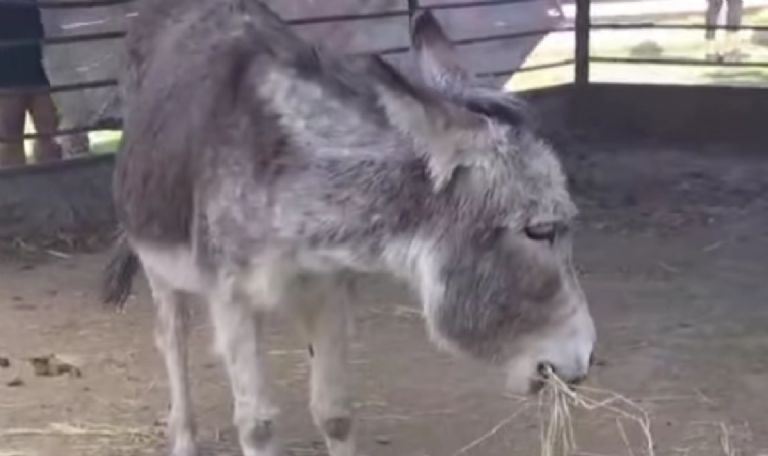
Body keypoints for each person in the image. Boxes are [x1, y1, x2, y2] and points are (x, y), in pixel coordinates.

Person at [0, 1, 62, 167]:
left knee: (50, 127)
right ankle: (17, 187)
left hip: (35, 65)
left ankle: (53, 180)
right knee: (11, 133)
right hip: (6, 69)